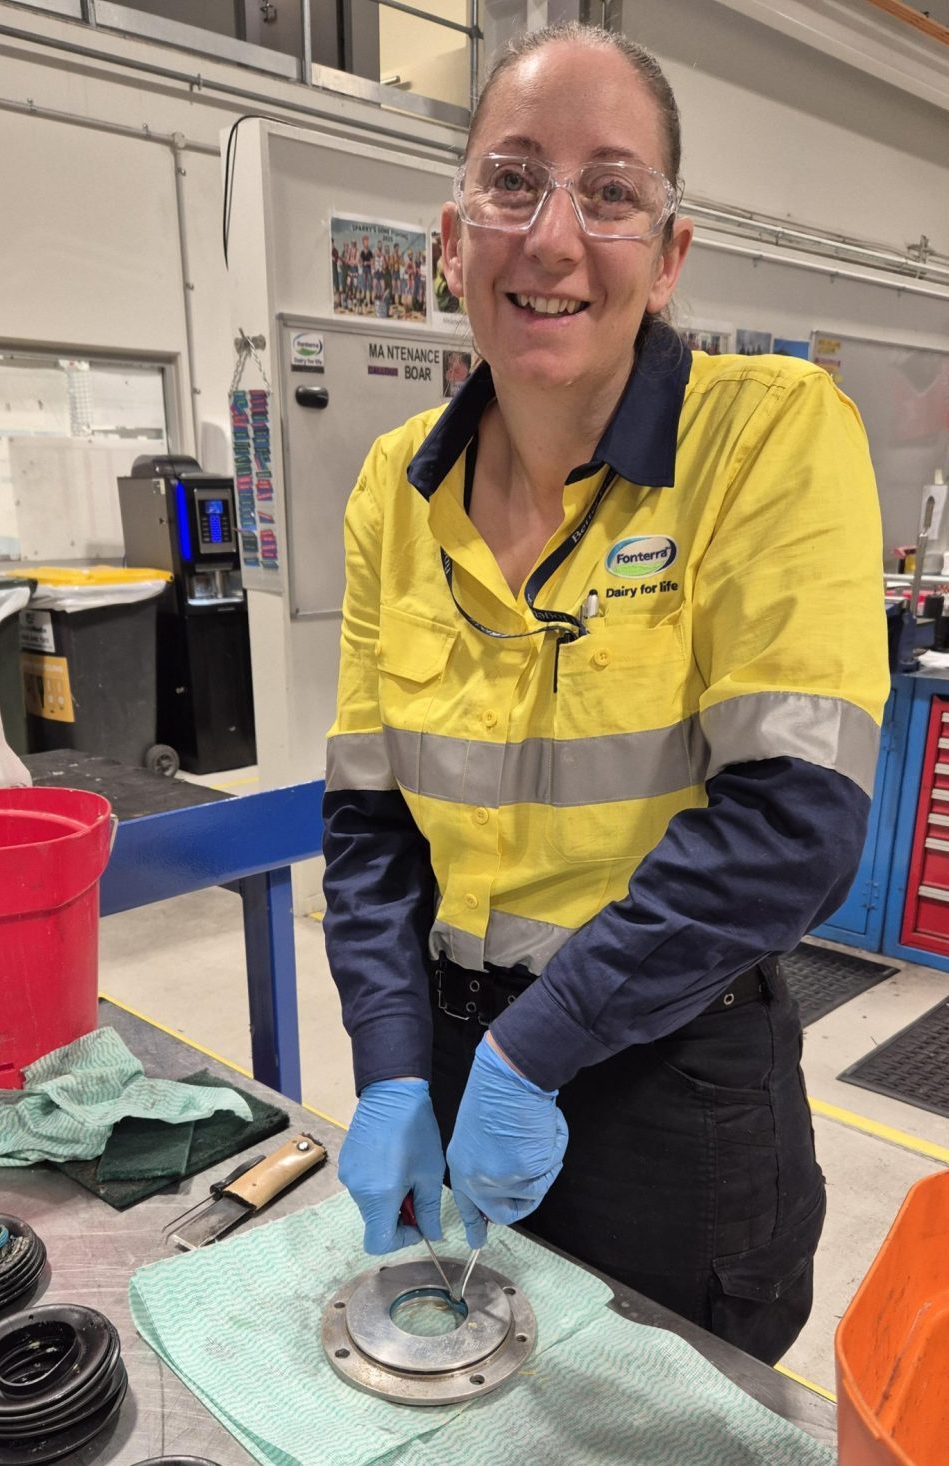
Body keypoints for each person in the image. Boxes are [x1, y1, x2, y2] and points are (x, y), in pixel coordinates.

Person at [322, 22, 889, 1366]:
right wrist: (396, 1059)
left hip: (670, 1076)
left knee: (662, 1409)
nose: (553, 237)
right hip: (456, 1056)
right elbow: (368, 826)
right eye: (510, 181)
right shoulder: (391, 487)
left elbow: (793, 820)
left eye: (612, 191)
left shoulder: (769, 434)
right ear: (450, 238)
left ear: (668, 252)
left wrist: (535, 1050)